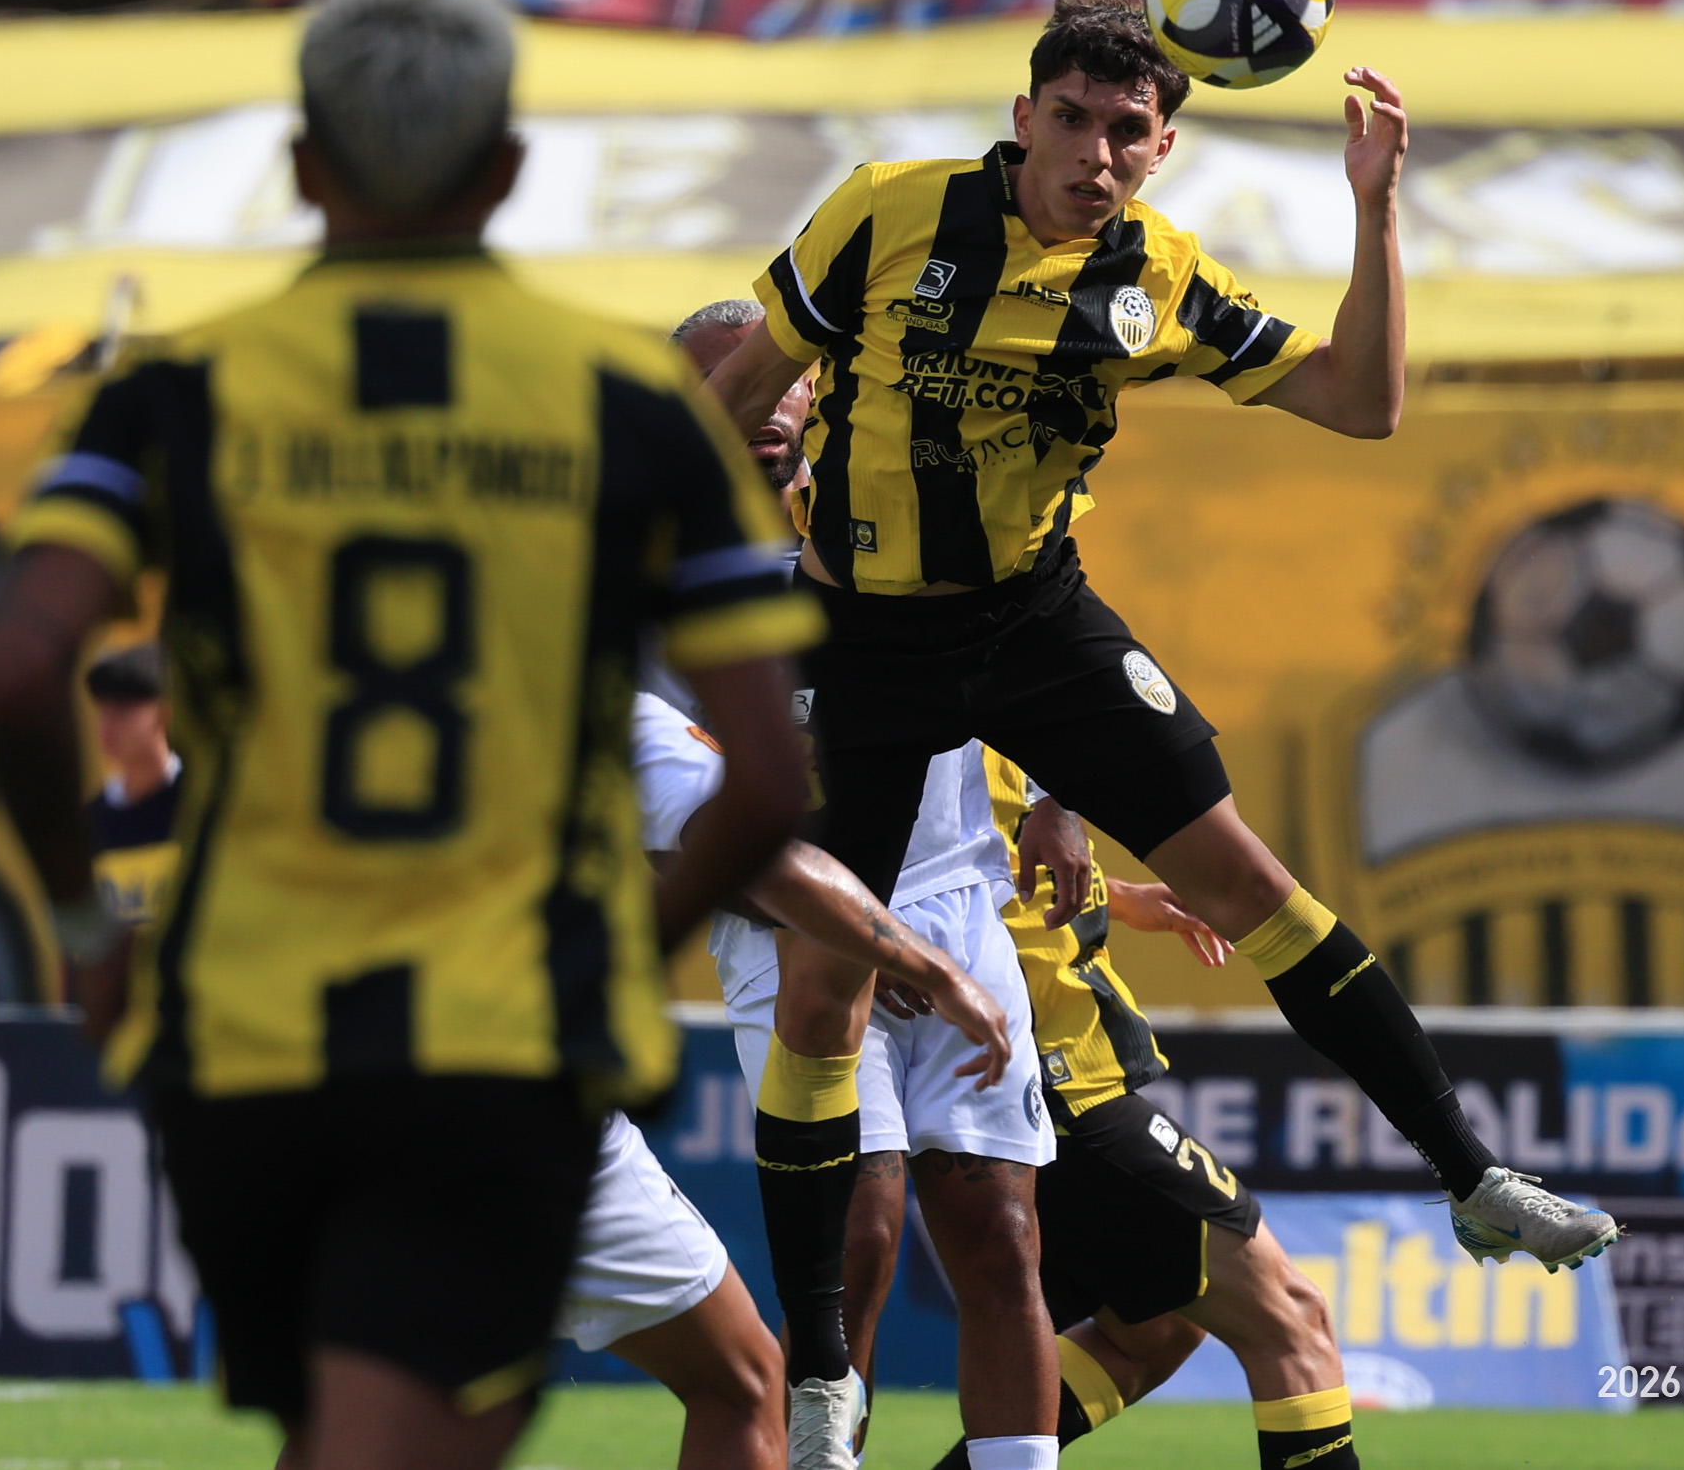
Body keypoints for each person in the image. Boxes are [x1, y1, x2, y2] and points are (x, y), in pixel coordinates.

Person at [0, 0, 820, 1470]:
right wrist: (616, 953)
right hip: (494, 1030)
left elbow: (14, 670)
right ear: (508, 168)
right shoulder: (627, 405)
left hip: (242, 1028)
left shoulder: (177, 391)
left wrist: (90, 929)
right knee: (481, 1422)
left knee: (361, 1426)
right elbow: (765, 779)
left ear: (303, 164)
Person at [705, 0, 1617, 1283]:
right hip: (865, 635)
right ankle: (815, 1370)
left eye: (1126, 129)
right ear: (1023, 117)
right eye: (1071, 118)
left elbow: (1361, 402)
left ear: (1163, 145)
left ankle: (1472, 1176)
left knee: (1251, 883)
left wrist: (1374, 208)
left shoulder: (1159, 276)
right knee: (819, 986)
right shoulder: (887, 210)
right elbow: (743, 385)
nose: (1095, 152)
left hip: (1033, 620)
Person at [670, 299, 1061, 1470]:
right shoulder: (659, 569)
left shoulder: (897, 496)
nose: (758, 399)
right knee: (859, 1231)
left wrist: (1058, 795)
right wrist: (850, 934)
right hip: (786, 919)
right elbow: (673, 809)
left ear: (813, 383)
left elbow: (1032, 629)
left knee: (1001, 1236)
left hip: (953, 895)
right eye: (722, 380)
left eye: (775, 372)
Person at [554, 683, 1014, 1470]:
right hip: (525, 1105)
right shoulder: (582, 686)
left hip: (343, 1091)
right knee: (745, 1381)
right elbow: (765, 851)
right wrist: (925, 964)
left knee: (380, 1385)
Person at [909, 771, 1365, 1470]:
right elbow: (947, 869)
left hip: (1040, 1090)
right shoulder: (964, 731)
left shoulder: (986, 738)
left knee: (1157, 1328)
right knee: (1291, 1316)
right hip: (1062, 1088)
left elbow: (992, 860)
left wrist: (1116, 896)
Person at [81, 644, 184, 931]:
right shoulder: (89, 825)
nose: (108, 725)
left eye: (123, 710)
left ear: (164, 712)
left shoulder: (199, 806)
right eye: (102, 709)